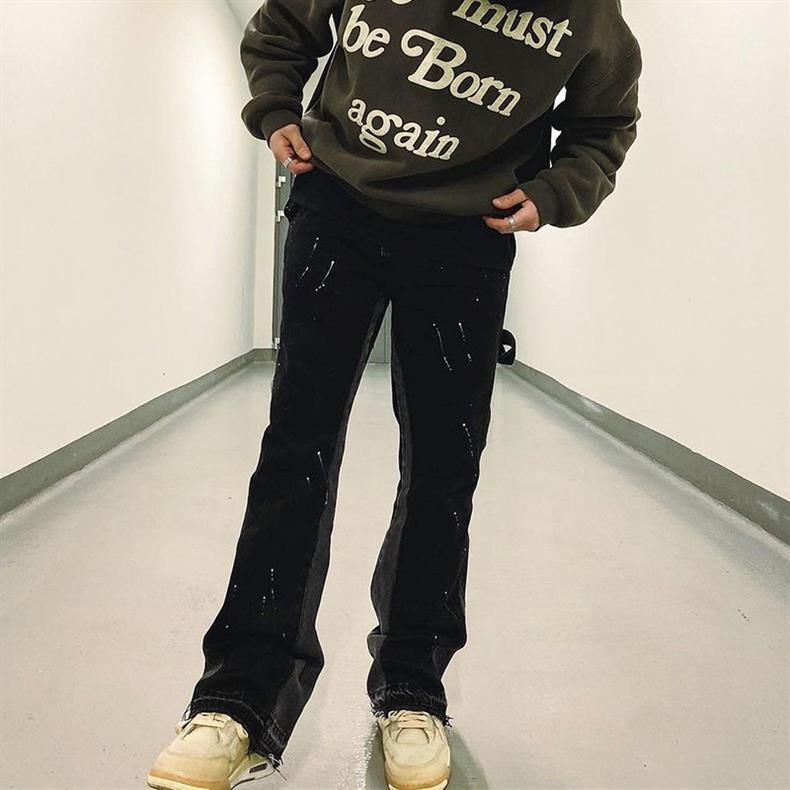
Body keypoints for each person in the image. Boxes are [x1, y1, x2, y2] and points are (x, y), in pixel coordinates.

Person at [147, 2, 642, 789]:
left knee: (445, 468)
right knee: (296, 450)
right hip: (338, 206)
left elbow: (605, 120)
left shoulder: (586, 13)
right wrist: (276, 106)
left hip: (469, 235)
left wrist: (558, 191)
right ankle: (237, 699)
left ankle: (412, 689)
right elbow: (283, 26)